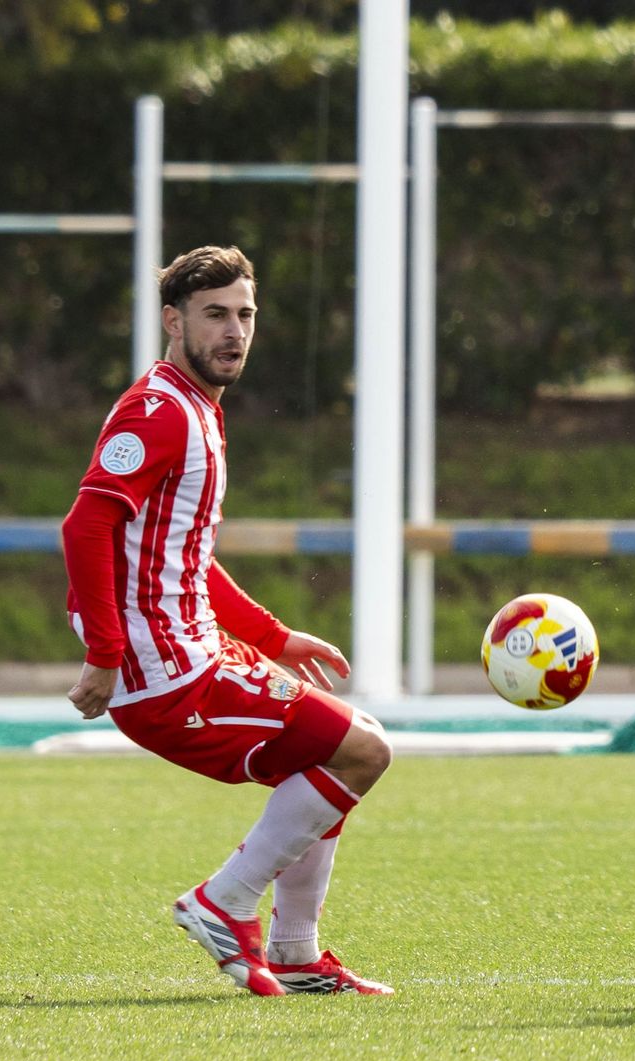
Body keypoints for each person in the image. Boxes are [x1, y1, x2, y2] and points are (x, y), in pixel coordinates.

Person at [62, 245, 395, 998]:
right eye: (215, 315)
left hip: (189, 657)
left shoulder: (197, 412)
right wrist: (107, 655)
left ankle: (298, 952)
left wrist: (276, 638)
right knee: (365, 751)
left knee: (340, 747)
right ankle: (225, 901)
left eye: (244, 315)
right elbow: (84, 527)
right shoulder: (156, 413)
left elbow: (185, 557)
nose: (233, 331)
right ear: (173, 321)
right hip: (168, 674)